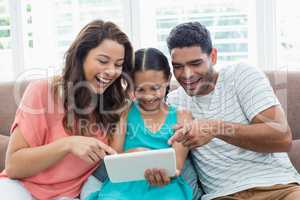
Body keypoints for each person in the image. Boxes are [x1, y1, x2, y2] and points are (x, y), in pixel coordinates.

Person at [0, 19, 133, 200]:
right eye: (103, 61)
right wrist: (68, 144)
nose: (111, 71)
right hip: (21, 187)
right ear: (80, 56)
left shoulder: (117, 104)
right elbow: (14, 166)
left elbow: (115, 162)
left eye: (118, 65)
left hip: (69, 195)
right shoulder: (43, 91)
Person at [166, 22, 300, 200]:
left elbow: (282, 139)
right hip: (223, 195)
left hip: (279, 187)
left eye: (195, 63)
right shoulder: (174, 101)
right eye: (178, 66)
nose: (187, 74)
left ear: (213, 56)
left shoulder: (242, 75)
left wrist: (216, 128)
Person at [85, 48, 193, 200]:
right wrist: (132, 155)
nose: (148, 96)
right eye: (140, 89)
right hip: (125, 184)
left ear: (167, 79)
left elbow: (177, 166)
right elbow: (113, 157)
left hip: (165, 185)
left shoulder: (182, 116)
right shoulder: (125, 111)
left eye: (155, 88)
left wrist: (160, 169)